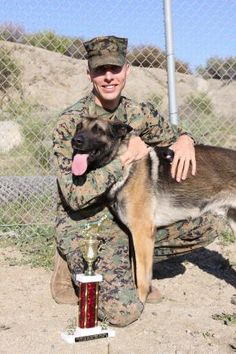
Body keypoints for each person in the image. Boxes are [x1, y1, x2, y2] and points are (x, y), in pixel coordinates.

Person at [51, 35, 218, 327]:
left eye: (114, 69)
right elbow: (73, 195)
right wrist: (124, 159)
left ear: (127, 70)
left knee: (204, 225)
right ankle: (69, 263)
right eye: (100, 70)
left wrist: (186, 139)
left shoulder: (140, 113)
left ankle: (131, 266)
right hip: (87, 222)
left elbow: (174, 136)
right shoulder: (71, 123)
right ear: (88, 73)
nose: (108, 77)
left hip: (129, 213)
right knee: (124, 312)